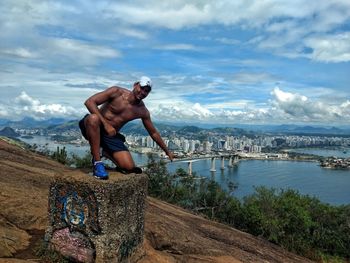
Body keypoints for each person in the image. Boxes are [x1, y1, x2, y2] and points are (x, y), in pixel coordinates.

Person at [79, 76, 174, 179]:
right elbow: (89, 102)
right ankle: (97, 163)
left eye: (146, 91)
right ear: (135, 85)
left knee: (128, 167)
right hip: (93, 127)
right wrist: (106, 125)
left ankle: (104, 151)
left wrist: (167, 151)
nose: (143, 92)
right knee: (93, 118)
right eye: (141, 88)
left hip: (111, 135)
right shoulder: (116, 92)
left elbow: (153, 133)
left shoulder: (142, 110)